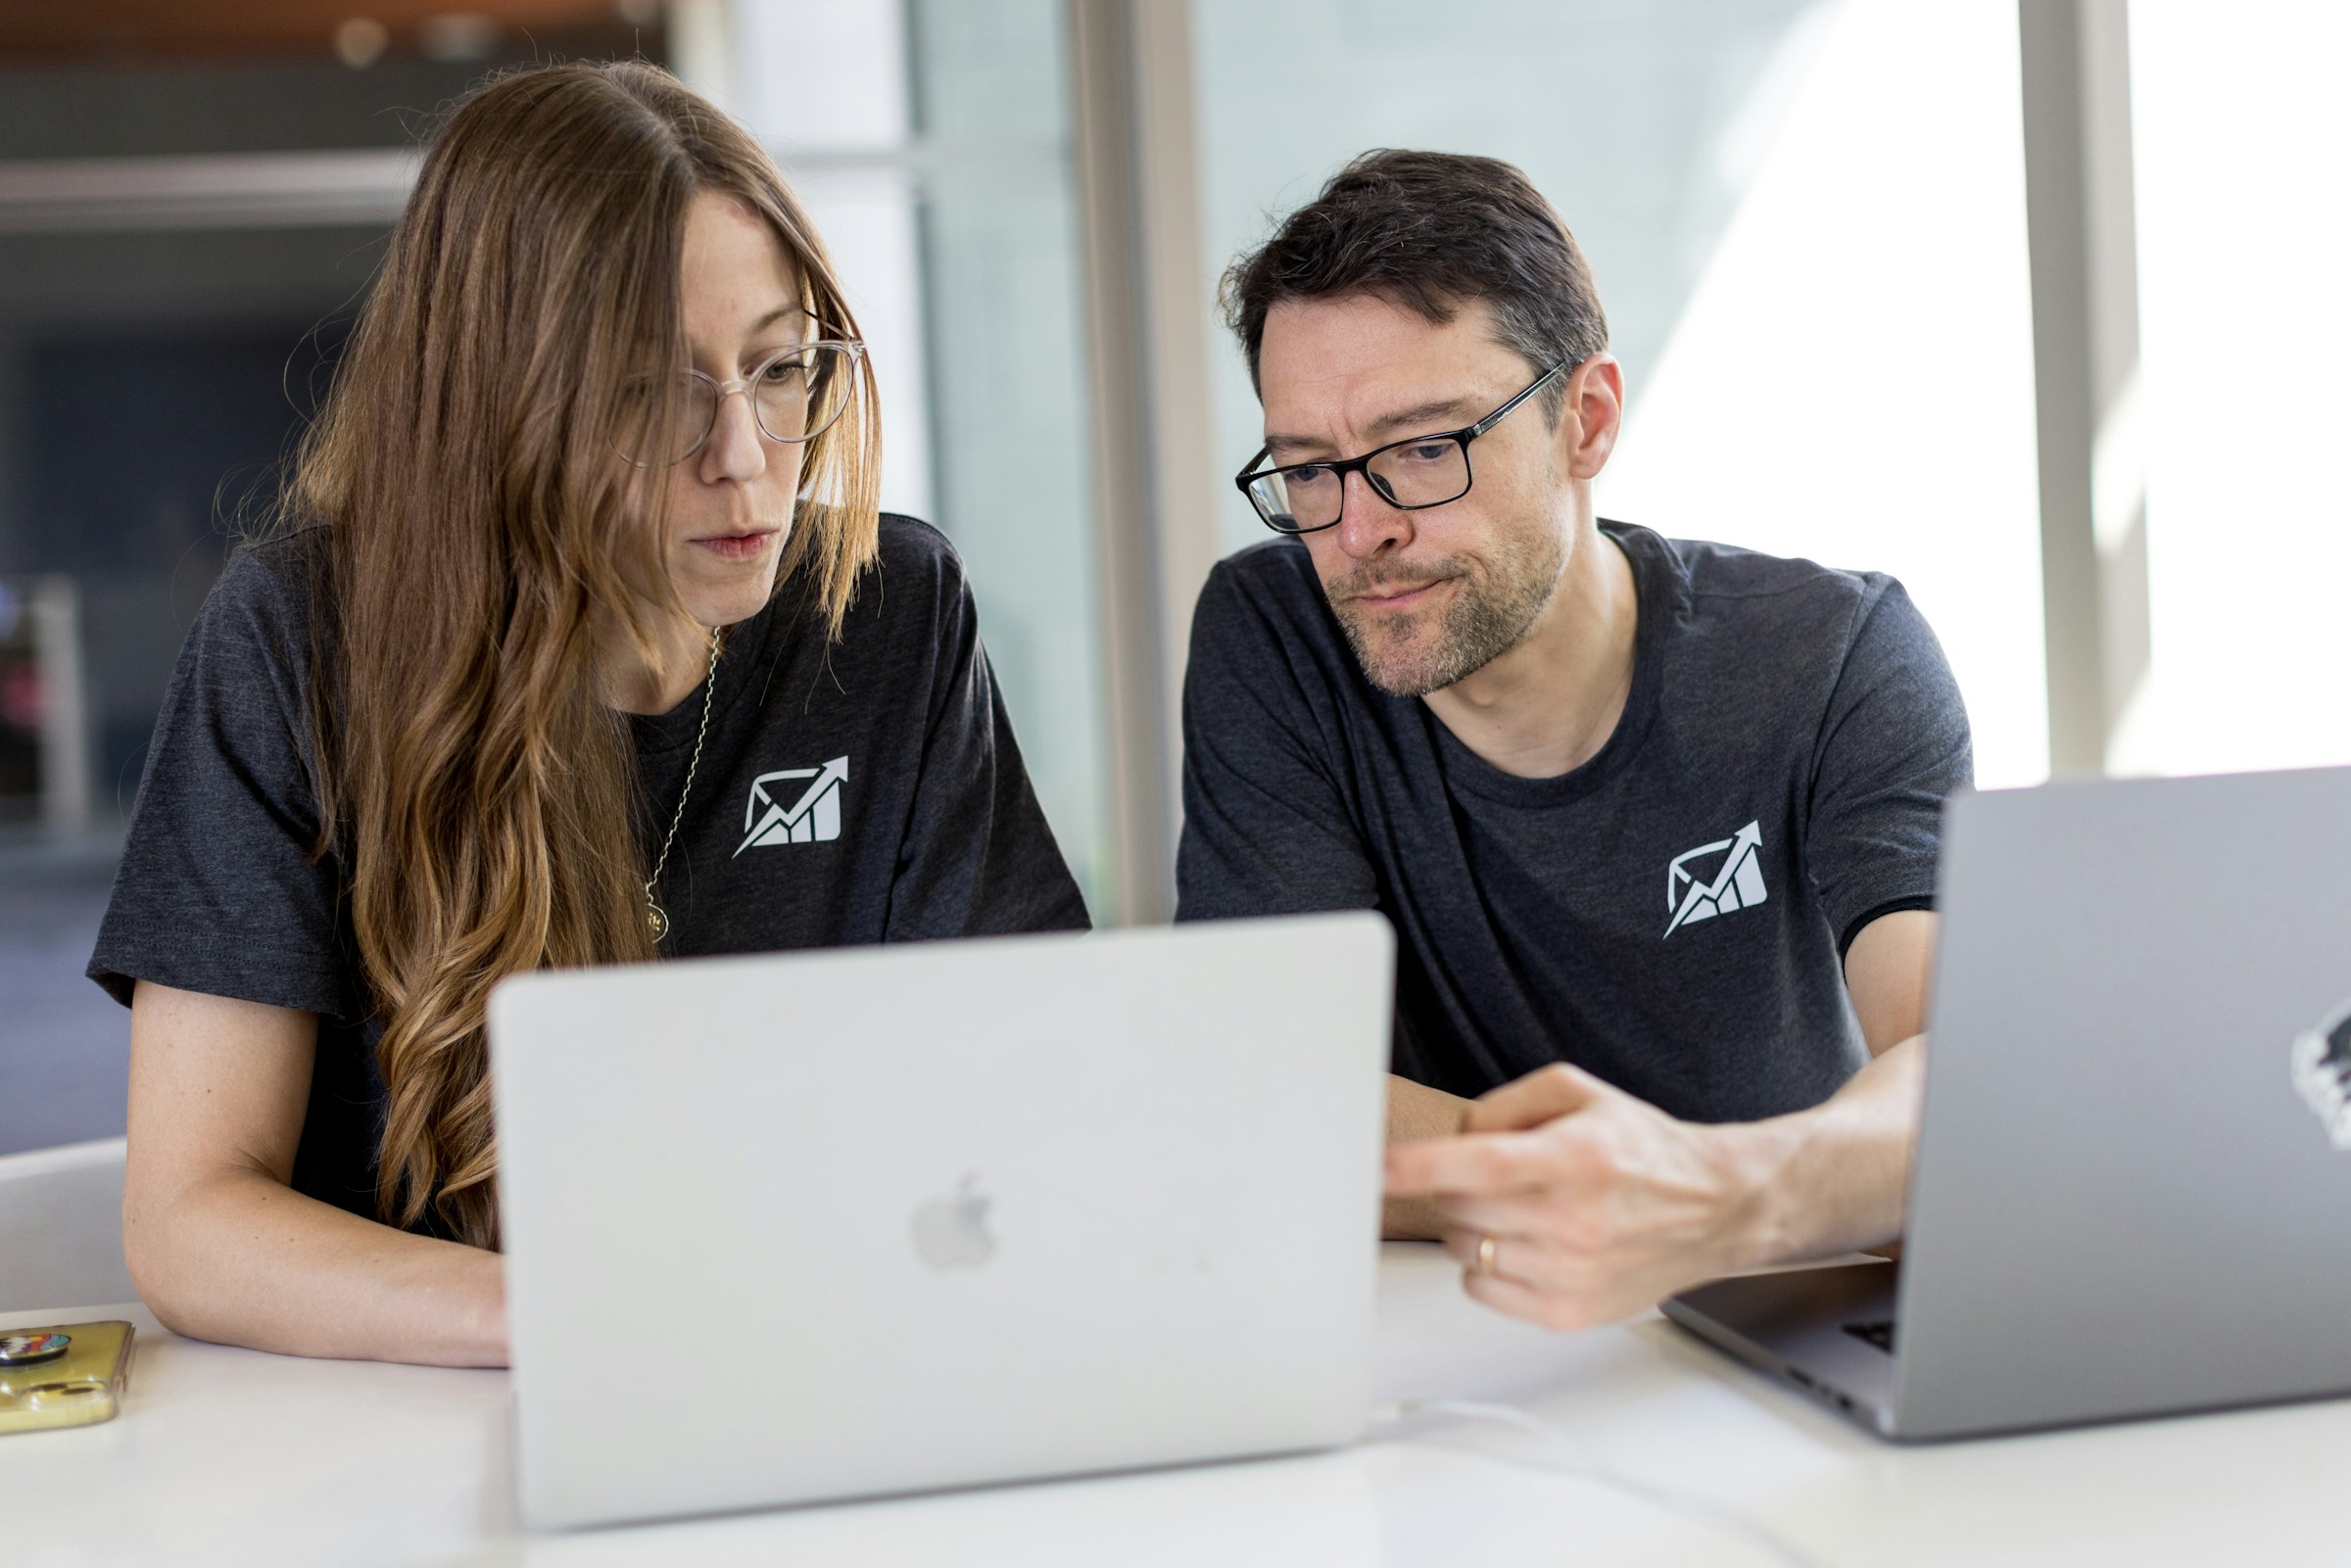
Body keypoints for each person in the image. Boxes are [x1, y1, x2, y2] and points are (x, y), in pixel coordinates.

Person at [86, 61, 1087, 1367]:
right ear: (502, 407)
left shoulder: (891, 608)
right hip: (419, 1426)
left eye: (780, 369)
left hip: (836, 1354)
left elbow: (1043, 1071)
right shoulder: (295, 634)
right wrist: (576, 1317)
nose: (744, 458)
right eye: (652, 391)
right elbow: (192, 1219)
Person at [1178, 150, 1965, 1331]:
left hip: (1778, 1303)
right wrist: (1612, 1189)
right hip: (1448, 1335)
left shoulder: (1833, 656)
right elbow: (1260, 1089)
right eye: (1307, 471)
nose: (1357, 532)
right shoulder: (1276, 634)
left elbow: (1964, 1073)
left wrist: (1710, 1198)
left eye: (1421, 450)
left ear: (1585, 420)